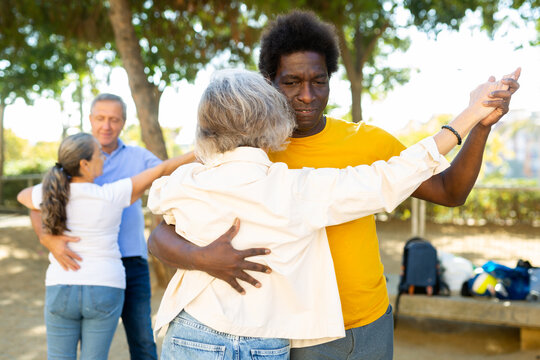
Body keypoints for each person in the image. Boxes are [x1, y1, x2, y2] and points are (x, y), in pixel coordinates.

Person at [149, 11, 520, 360]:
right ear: (269, 84)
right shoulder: (242, 150)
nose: (307, 96)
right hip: (298, 332)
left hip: (370, 320)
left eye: (318, 81)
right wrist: (203, 259)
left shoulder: (368, 142)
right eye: (292, 82)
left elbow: (450, 192)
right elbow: (164, 234)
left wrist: (481, 126)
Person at [17, 133, 194, 359]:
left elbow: (23, 197)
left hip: (60, 286)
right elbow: (161, 170)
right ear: (84, 164)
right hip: (105, 287)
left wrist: (46, 237)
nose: (103, 157)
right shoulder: (111, 194)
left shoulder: (50, 194)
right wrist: (200, 151)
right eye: (98, 154)